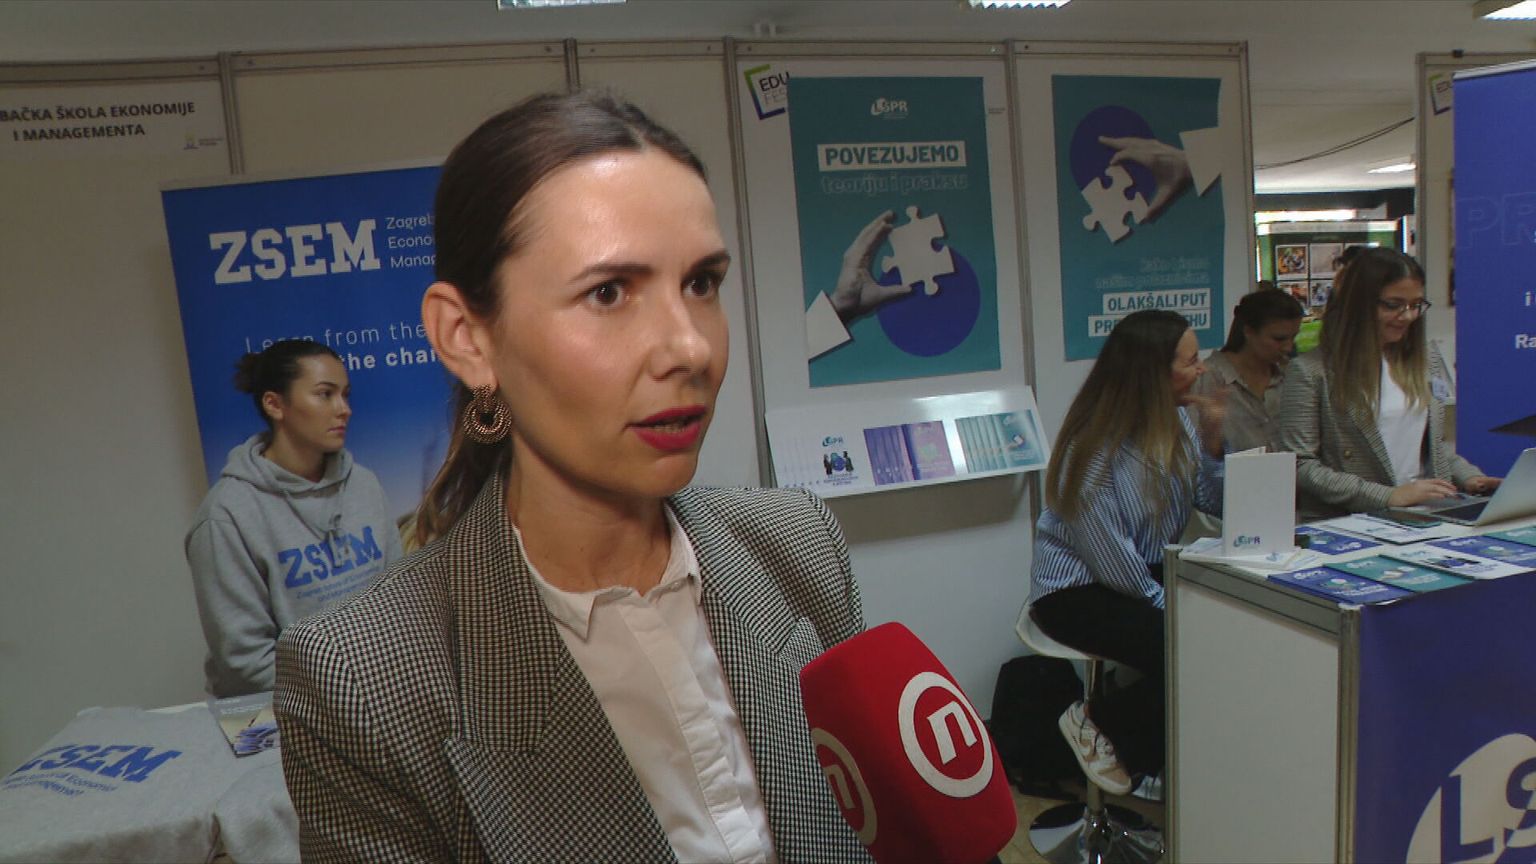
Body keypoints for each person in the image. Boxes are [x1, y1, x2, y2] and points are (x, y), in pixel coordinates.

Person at [273, 92, 870, 863]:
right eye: (608, 292)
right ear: (467, 337)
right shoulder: (362, 682)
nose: (690, 348)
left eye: (701, 283)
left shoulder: (799, 545)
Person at [1026, 310, 1225, 795]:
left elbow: (1212, 501)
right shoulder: (1093, 443)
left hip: (1146, 575)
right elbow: (1111, 558)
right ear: (1152, 372)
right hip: (1077, 591)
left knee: (1221, 631)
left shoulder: (1179, 422)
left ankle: (1150, 760)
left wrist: (1215, 445)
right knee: (1183, 643)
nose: (1201, 369)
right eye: (1190, 361)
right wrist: (1166, 603)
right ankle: (1099, 722)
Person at [185, 340, 401, 698]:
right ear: (274, 404)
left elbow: (399, 602)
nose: (344, 409)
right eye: (325, 394)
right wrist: (355, 689)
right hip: (282, 708)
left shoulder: (364, 484)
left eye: (345, 394)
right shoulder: (226, 516)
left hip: (380, 693)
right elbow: (245, 664)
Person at [1277, 247, 1499, 522]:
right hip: (1349, 523)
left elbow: (1431, 445)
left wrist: (1470, 478)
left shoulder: (1424, 360)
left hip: (1428, 515)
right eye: (1393, 305)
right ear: (1358, 305)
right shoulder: (1310, 372)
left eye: (1416, 305)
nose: (1407, 316)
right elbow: (1299, 464)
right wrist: (1388, 496)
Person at [1189, 288, 1304, 453]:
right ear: (1248, 331)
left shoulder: (1290, 376)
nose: (1288, 347)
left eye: (1293, 337)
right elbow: (1193, 452)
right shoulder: (1206, 378)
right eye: (1279, 339)